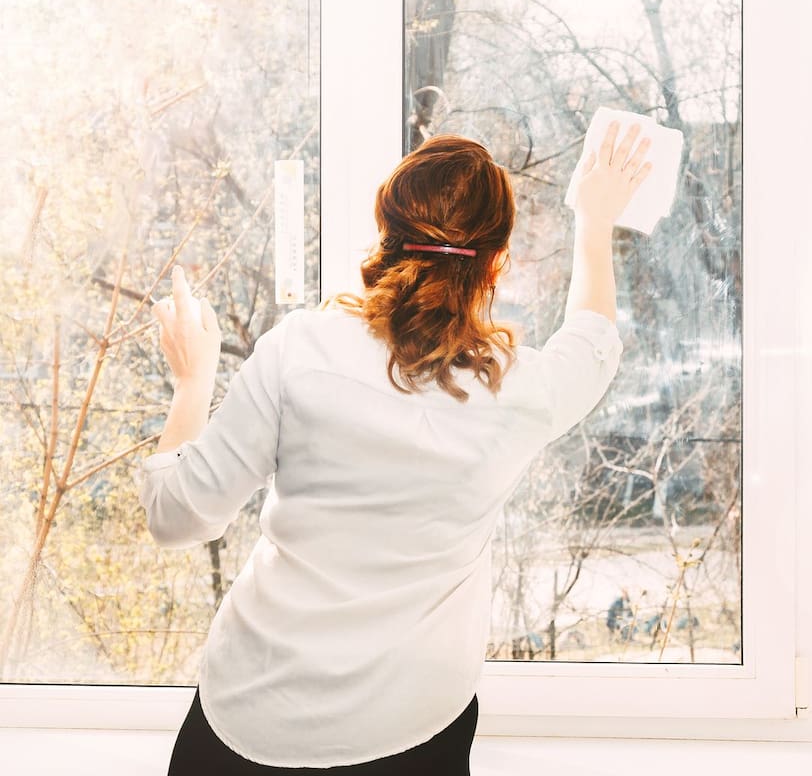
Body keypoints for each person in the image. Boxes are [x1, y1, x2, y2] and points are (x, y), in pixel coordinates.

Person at [140, 122, 654, 774]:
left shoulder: (300, 350)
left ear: (385, 235)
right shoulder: (516, 395)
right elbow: (592, 342)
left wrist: (192, 383)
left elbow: (177, 516)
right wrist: (593, 220)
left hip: (251, 716)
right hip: (413, 727)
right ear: (497, 264)